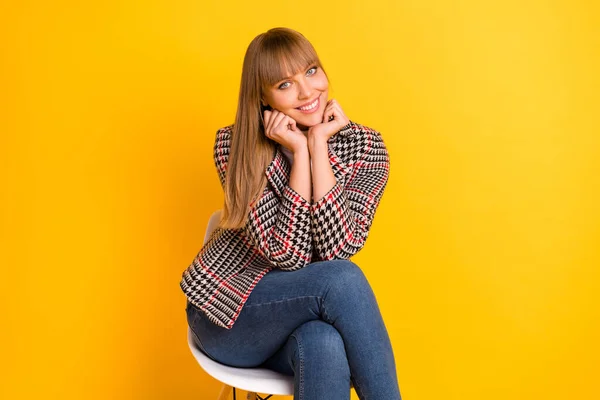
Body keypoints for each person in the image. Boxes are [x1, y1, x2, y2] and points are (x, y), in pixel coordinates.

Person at [181, 27, 402, 400]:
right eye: (284, 84)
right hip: (230, 315)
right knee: (343, 280)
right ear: (263, 97)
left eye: (312, 71)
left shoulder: (365, 147)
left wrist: (318, 147)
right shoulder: (236, 144)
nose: (306, 92)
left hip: (304, 320)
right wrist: (299, 155)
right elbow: (289, 255)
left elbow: (337, 250)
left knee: (324, 343)